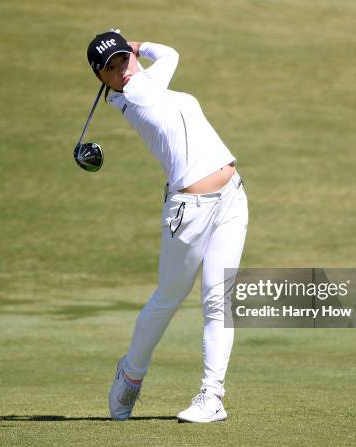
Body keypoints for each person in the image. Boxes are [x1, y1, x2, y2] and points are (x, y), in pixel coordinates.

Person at [86, 30, 248, 423]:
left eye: (123, 59)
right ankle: (131, 374)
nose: (121, 69)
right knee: (169, 298)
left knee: (217, 302)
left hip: (231, 198)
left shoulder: (148, 87)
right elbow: (171, 54)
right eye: (111, 68)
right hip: (188, 210)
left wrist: (129, 50)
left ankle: (212, 397)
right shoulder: (137, 94)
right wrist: (139, 46)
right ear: (102, 78)